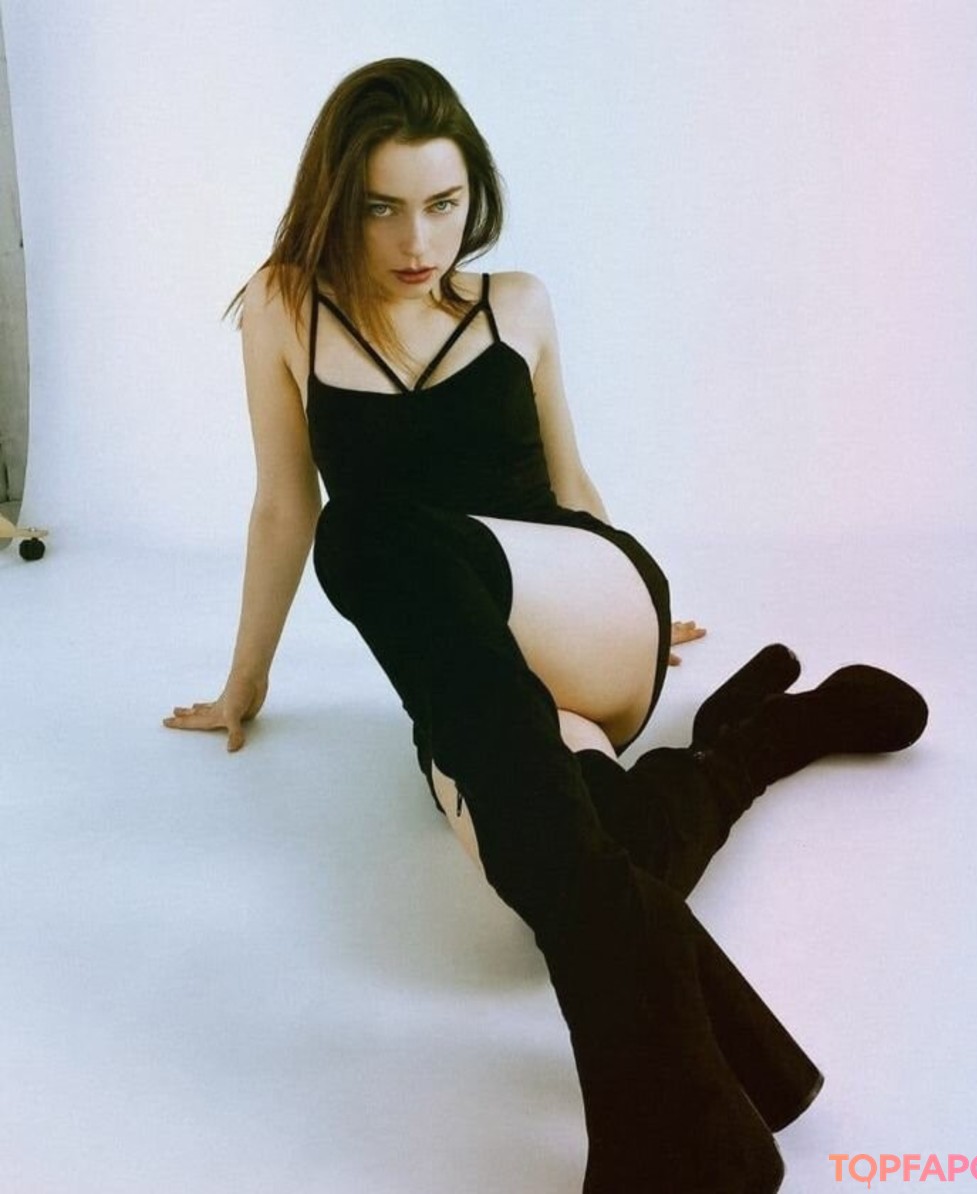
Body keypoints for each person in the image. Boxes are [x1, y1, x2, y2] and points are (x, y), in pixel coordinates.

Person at [164, 58, 928, 1193]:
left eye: (444, 203)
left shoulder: (514, 304)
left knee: (367, 528)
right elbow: (284, 506)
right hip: (472, 683)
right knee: (572, 860)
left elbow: (570, 488)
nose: (418, 239)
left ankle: (654, 1080)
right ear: (335, 202)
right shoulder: (284, 308)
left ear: (475, 191)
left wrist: (632, 613)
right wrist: (246, 684)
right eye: (381, 208)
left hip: (585, 615)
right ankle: (763, 743)